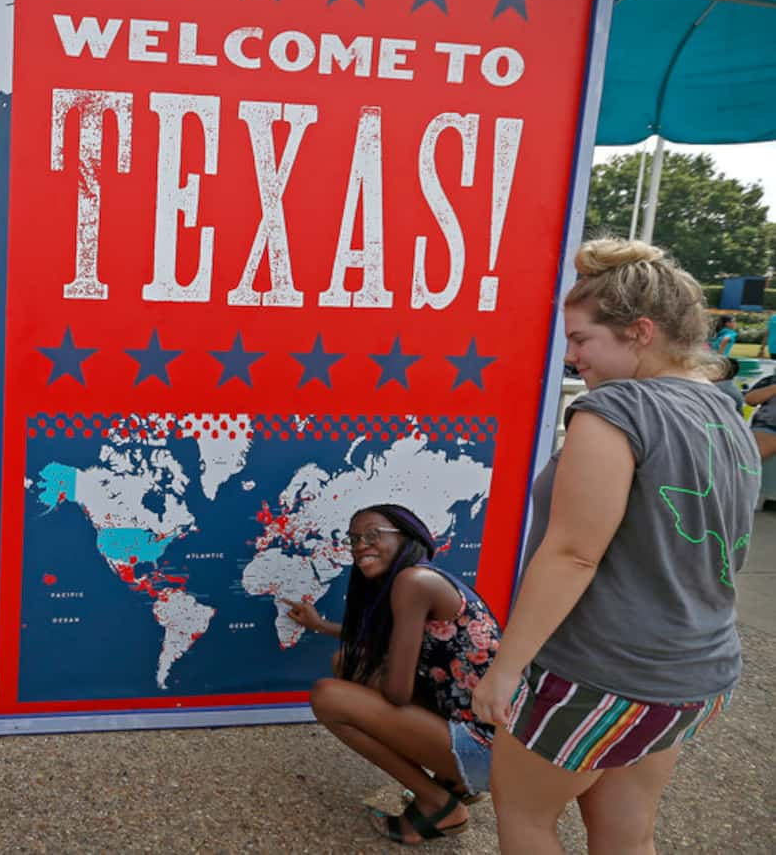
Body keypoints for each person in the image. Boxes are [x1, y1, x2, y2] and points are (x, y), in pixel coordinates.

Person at [471, 239, 757, 854]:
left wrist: (506, 668)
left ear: (640, 332)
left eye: (581, 340)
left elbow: (574, 553)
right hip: (696, 669)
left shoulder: (615, 408)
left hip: (600, 671)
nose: (572, 358)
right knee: (628, 834)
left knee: (525, 816)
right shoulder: (726, 410)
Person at [284, 504, 501, 845]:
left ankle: (438, 805)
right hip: (489, 735)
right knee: (348, 663)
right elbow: (386, 644)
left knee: (328, 696)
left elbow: (397, 694)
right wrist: (321, 626)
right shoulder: (423, 578)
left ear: (408, 537)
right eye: (354, 539)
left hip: (493, 753)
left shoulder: (413, 581)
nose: (360, 546)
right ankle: (456, 781)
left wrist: (366, 703)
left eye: (373, 535)